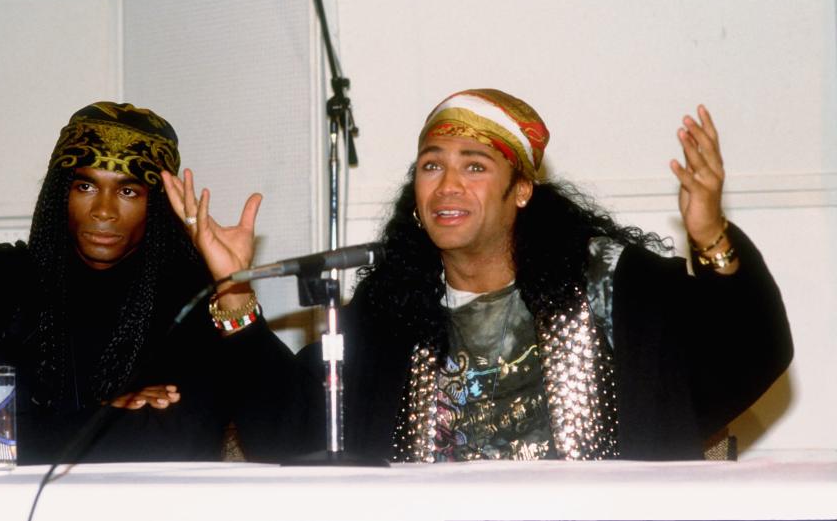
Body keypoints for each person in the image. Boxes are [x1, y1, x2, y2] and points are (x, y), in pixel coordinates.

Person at [289, 89, 793, 461]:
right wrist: (235, 303)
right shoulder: (390, 307)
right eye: (431, 166)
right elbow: (295, 423)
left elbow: (751, 350)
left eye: (475, 167)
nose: (448, 186)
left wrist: (710, 236)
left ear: (522, 190)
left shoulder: (606, 283)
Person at [0, 101, 285, 464]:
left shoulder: (191, 296)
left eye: (128, 191)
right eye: (86, 186)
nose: (104, 211)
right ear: (61, 194)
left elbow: (173, 437)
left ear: (156, 204)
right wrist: (108, 418)